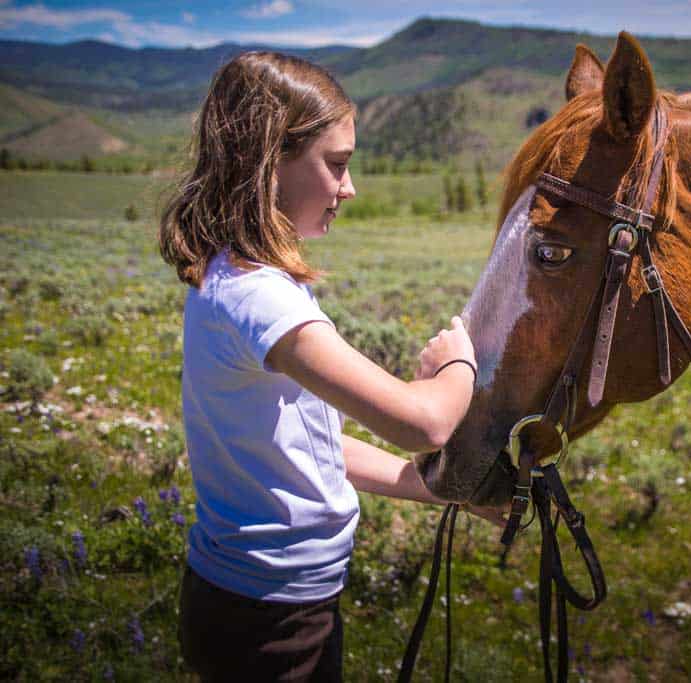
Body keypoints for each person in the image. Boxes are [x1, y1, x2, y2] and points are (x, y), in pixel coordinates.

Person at [159, 51, 494, 682]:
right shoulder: (259, 298)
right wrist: (458, 364)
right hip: (268, 619)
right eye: (336, 165)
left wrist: (440, 488)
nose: (349, 186)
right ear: (269, 162)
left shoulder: (241, 279)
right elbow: (424, 424)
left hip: (265, 603)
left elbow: (310, 446)